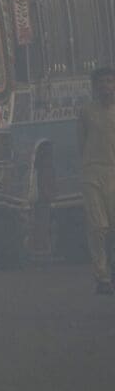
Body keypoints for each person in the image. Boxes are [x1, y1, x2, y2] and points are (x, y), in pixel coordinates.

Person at [78, 67, 115, 295]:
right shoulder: (86, 112)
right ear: (95, 86)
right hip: (92, 174)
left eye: (110, 82)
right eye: (102, 83)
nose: (106, 87)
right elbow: (81, 144)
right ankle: (102, 276)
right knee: (98, 227)